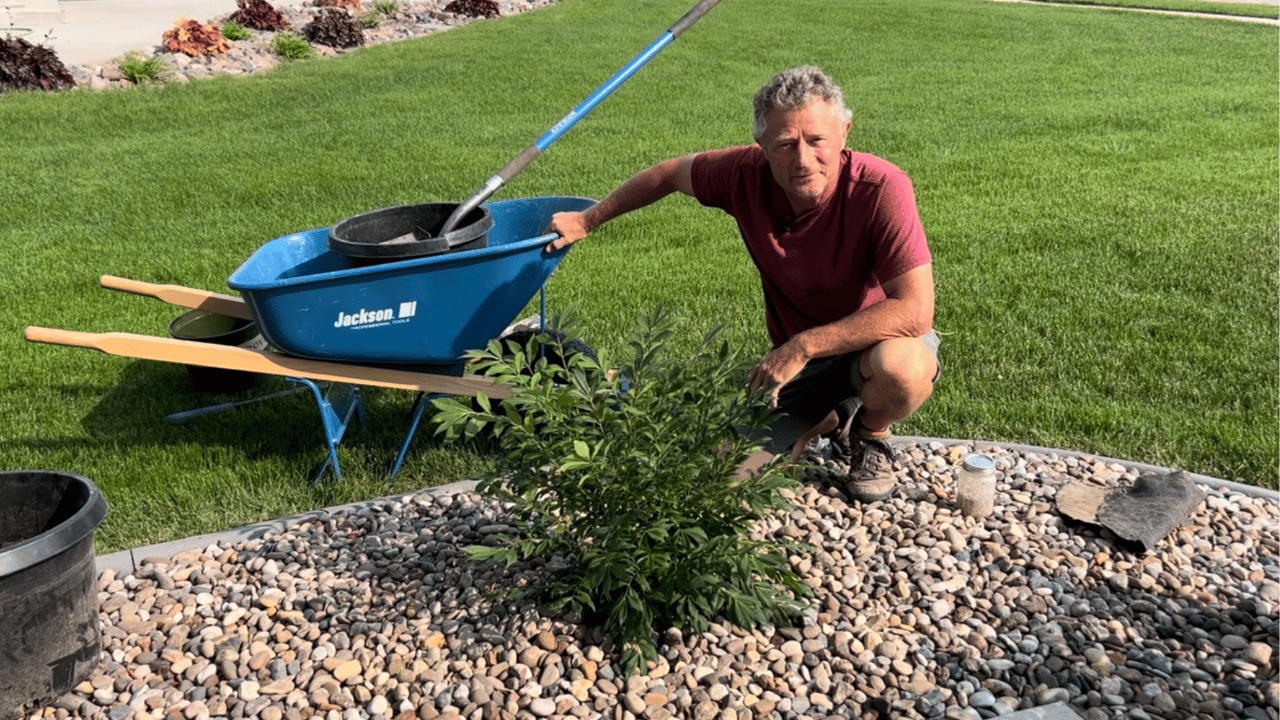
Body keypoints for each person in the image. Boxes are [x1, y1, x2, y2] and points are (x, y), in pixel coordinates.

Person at [545, 65, 939, 501]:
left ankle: (870, 432)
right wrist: (587, 219)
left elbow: (916, 311)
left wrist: (801, 345)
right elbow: (670, 173)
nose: (803, 159)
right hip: (800, 368)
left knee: (904, 368)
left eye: (817, 141)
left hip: (870, 344)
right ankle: (828, 415)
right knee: (726, 477)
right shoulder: (743, 175)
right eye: (786, 145)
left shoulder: (882, 187)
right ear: (762, 147)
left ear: (845, 132)